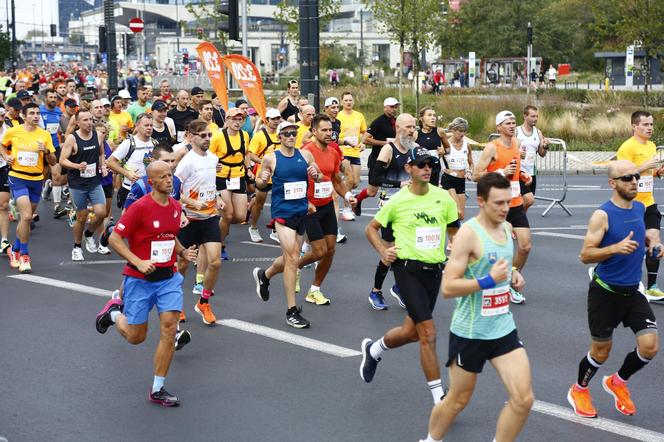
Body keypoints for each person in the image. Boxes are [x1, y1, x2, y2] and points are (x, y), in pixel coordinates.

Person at [421, 173, 533, 442]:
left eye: (508, 202)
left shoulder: (506, 229)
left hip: (502, 327)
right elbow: (448, 287)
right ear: (481, 201)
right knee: (457, 401)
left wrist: (512, 275)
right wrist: (487, 280)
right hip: (470, 332)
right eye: (498, 203)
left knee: (523, 399)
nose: (506, 209)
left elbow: (502, 268)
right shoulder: (468, 235)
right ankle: (431, 440)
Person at [361, 145, 459, 408]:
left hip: (434, 271)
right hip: (406, 269)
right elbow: (371, 228)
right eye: (421, 164)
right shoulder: (398, 201)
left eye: (430, 164)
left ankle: (374, 350)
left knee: (411, 332)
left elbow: (454, 232)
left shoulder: (443, 198)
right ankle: (440, 398)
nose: (427, 168)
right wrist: (383, 251)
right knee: (427, 332)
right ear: (409, 168)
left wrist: (459, 256)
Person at [95, 160, 197, 407]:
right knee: (136, 337)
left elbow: (169, 236)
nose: (168, 180)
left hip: (168, 279)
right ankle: (114, 314)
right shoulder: (139, 207)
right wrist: (138, 261)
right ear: (151, 182)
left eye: (170, 175)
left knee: (170, 328)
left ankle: (158, 388)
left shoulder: (175, 206)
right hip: (140, 280)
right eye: (162, 177)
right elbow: (114, 239)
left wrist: (182, 252)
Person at [568, 160, 659, 418]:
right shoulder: (602, 215)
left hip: (633, 291)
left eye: (636, 177)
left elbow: (643, 238)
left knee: (650, 346)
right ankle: (579, 389)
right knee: (601, 351)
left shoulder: (640, 208)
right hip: (605, 293)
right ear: (612, 183)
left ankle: (618, 382)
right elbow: (585, 255)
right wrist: (614, 248)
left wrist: (653, 246)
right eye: (627, 177)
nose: (634, 181)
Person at [252, 121, 322, 328]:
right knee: (292, 258)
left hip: (301, 211)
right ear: (280, 137)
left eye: (294, 133)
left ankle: (264, 275)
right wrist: (263, 180)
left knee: (291, 257)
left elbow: (317, 177)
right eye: (287, 134)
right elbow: (259, 184)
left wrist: (316, 175)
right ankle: (291, 311)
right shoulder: (271, 158)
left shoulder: (306, 155)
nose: (291, 136)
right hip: (282, 213)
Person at [473, 111, 532, 305]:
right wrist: (501, 172)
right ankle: (492, 283)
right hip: (498, 204)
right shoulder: (492, 148)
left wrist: (522, 175)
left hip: (515, 202)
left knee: (525, 246)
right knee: (498, 249)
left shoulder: (516, 143)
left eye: (514, 122)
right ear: (498, 127)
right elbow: (476, 175)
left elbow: (514, 168)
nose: (512, 125)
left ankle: (509, 281)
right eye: (507, 123)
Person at [299, 114, 356, 305]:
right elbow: (296, 179)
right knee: (319, 251)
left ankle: (314, 290)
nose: (328, 133)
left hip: (326, 206)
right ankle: (293, 267)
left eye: (330, 130)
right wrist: (305, 202)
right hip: (309, 208)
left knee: (330, 250)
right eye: (324, 130)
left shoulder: (333, 152)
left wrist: (348, 196)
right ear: (314, 131)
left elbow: (336, 180)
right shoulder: (306, 152)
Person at [365, 113, 418, 310]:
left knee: (409, 249)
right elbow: (374, 179)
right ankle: (376, 291)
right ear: (398, 128)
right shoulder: (388, 149)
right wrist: (399, 183)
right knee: (390, 252)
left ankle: (399, 287)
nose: (412, 131)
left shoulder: (414, 149)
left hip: (410, 207)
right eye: (409, 127)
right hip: (390, 206)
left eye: (414, 127)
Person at [175, 119, 224, 325]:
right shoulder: (186, 161)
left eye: (209, 135)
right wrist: (191, 202)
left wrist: (218, 197)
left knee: (215, 262)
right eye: (202, 135)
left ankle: (203, 302)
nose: (207, 139)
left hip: (210, 218)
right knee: (183, 264)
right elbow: (174, 192)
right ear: (192, 137)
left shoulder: (213, 159)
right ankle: (175, 305)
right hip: (190, 220)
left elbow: (211, 184)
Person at [1, 103, 57, 273]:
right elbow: (2, 144)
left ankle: (15, 249)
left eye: (37, 113)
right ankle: (25, 255)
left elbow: (54, 161)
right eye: (32, 113)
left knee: (26, 219)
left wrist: (46, 151)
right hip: (17, 177)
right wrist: (6, 156)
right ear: (24, 116)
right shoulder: (13, 131)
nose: (35, 116)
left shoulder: (45, 134)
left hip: (36, 180)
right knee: (26, 216)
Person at [616, 111, 664, 302]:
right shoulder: (627, 147)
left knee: (654, 240)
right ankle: (601, 272)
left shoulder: (652, 146)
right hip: (629, 205)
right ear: (634, 126)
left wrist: (657, 172)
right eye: (645, 124)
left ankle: (652, 286)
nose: (649, 128)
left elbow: (646, 174)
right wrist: (646, 165)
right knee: (628, 247)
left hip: (648, 204)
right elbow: (620, 174)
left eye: (651, 124)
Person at [58, 110, 108, 261]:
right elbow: (62, 160)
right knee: (82, 217)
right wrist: (76, 166)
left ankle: (89, 234)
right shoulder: (72, 139)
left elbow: (100, 153)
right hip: (77, 184)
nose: (89, 123)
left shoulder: (98, 135)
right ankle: (77, 247)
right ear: (77, 123)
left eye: (91, 120)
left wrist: (103, 166)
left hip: (94, 181)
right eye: (85, 120)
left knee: (101, 212)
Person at [209, 107, 252, 260]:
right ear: (226, 120)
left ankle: (219, 224)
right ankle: (219, 245)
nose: (237, 122)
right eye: (233, 119)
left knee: (240, 216)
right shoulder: (217, 137)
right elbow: (208, 155)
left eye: (240, 119)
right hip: (221, 177)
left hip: (238, 176)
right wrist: (213, 166)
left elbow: (246, 153)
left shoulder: (245, 135)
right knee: (227, 214)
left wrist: (248, 169)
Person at [354, 97, 399, 215]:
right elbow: (365, 139)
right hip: (377, 159)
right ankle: (358, 198)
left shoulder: (396, 121)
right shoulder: (378, 122)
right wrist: (384, 143)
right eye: (391, 107)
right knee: (372, 192)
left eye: (395, 107)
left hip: (392, 160)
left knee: (390, 186)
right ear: (385, 107)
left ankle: (385, 208)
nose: (394, 109)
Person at [107, 113, 156, 209]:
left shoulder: (155, 142)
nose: (149, 128)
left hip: (150, 189)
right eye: (146, 125)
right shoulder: (129, 142)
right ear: (137, 126)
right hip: (131, 189)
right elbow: (110, 162)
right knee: (129, 221)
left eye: (151, 125)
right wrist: (127, 173)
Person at [248, 108, 281, 243]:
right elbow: (251, 154)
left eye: (278, 118)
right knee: (260, 203)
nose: (276, 121)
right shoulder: (259, 136)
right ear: (267, 120)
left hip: (279, 173)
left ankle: (275, 229)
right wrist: (265, 162)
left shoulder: (281, 133)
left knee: (279, 202)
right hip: (264, 173)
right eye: (273, 119)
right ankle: (254, 227)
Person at [516, 105, 549, 212]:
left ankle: (519, 224)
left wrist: (545, 146)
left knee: (528, 203)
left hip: (531, 173)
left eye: (537, 116)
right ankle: (515, 219)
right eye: (533, 116)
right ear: (525, 116)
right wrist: (517, 153)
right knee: (528, 200)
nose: (535, 119)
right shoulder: (517, 131)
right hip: (519, 172)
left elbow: (542, 153)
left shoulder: (538, 132)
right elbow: (508, 150)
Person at [442, 117, 474, 222]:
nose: (462, 134)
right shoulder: (446, 144)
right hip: (448, 180)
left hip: (461, 181)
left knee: (460, 216)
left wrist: (469, 172)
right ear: (453, 130)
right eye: (460, 131)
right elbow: (435, 160)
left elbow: (471, 163)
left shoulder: (466, 145)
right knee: (457, 211)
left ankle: (453, 236)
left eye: (464, 131)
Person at [338, 91, 367, 198]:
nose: (348, 102)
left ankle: (340, 184)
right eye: (346, 100)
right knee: (349, 180)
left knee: (355, 182)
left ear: (353, 102)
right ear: (342, 102)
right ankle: (347, 208)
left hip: (355, 151)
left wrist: (362, 143)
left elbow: (364, 132)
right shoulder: (338, 116)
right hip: (343, 150)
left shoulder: (359, 116)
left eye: (350, 100)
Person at [416, 106, 451, 186]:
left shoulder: (440, 131)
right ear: (422, 119)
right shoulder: (416, 134)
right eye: (429, 115)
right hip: (420, 169)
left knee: (432, 193)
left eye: (434, 115)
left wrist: (444, 151)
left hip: (435, 169)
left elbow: (448, 150)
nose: (433, 118)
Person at [0, 108, 10, 254]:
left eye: (2, 115)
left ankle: (4, 239)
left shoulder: (8, 130)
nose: (1, 117)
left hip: (2, 168)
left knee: (3, 205)